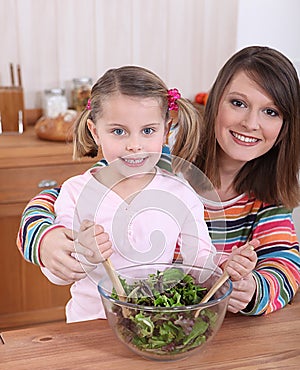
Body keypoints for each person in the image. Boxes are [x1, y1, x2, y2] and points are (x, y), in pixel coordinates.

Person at [17, 45, 300, 315]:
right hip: (90, 328)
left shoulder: (265, 199)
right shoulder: (158, 161)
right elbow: (56, 199)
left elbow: (284, 265)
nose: (251, 123)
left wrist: (247, 285)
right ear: (214, 101)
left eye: (271, 111)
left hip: (182, 326)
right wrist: (46, 240)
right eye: (238, 103)